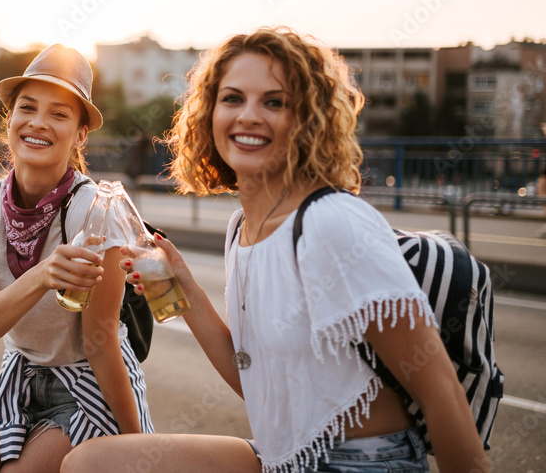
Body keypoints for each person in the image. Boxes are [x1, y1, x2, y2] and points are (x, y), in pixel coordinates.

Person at [63, 28, 489, 473]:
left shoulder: (333, 222)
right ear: (209, 113)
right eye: (232, 98)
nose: (249, 115)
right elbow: (255, 380)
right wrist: (181, 285)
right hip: (280, 458)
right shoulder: (241, 227)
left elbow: (440, 391)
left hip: (359, 463)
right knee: (91, 463)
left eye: (274, 102)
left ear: (307, 119)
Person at [0, 44, 153, 473]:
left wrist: (138, 448)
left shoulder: (93, 209)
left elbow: (101, 341)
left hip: (90, 385)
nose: (38, 123)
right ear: (9, 119)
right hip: (20, 378)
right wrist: (40, 277)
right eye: (27, 107)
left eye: (59, 113)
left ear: (80, 133)